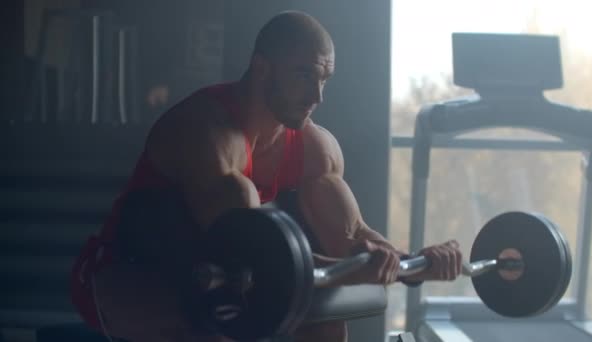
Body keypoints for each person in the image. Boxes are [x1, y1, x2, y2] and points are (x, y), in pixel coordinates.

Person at [71, 10, 462, 342]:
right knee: (228, 304)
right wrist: (352, 269)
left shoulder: (314, 146)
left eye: (324, 79)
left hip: (216, 274)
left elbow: (353, 237)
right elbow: (252, 252)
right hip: (124, 277)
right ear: (262, 68)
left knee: (325, 316)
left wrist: (413, 263)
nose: (317, 96)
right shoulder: (207, 130)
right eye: (304, 76)